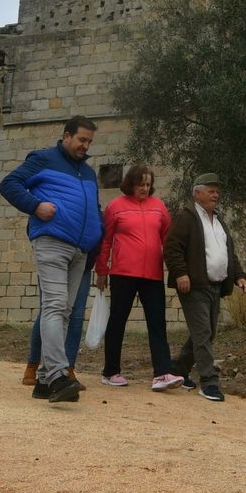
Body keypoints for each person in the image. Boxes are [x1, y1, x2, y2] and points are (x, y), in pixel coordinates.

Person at [0, 115, 103, 403]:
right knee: (55, 306)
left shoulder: (88, 172)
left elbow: (93, 207)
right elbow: (9, 184)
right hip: (52, 241)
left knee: (66, 312)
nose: (85, 146)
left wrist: (95, 238)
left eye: (89, 142)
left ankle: (44, 380)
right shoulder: (43, 159)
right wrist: (35, 205)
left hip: (80, 249)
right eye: (82, 140)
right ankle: (59, 375)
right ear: (67, 135)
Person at [164, 173, 246, 402]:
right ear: (196, 192)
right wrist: (181, 273)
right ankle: (209, 383)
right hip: (194, 287)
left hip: (215, 287)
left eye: (217, 191)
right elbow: (172, 248)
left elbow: (229, 253)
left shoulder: (219, 221)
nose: (216, 195)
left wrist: (239, 275)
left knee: (207, 332)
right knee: (203, 333)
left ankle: (177, 370)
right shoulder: (186, 217)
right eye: (211, 190)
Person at [97, 165, 181, 390]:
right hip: (123, 274)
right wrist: (101, 270)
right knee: (117, 321)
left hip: (152, 275)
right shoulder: (115, 206)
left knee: (157, 323)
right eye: (140, 184)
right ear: (131, 184)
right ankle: (110, 372)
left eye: (148, 184)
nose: (145, 188)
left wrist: (176, 268)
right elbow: (105, 241)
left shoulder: (159, 206)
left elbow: (168, 239)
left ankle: (162, 374)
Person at [22, 252, 91, 388]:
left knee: (76, 316)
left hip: (85, 257)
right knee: (49, 311)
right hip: (55, 252)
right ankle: (33, 364)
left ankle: (69, 369)